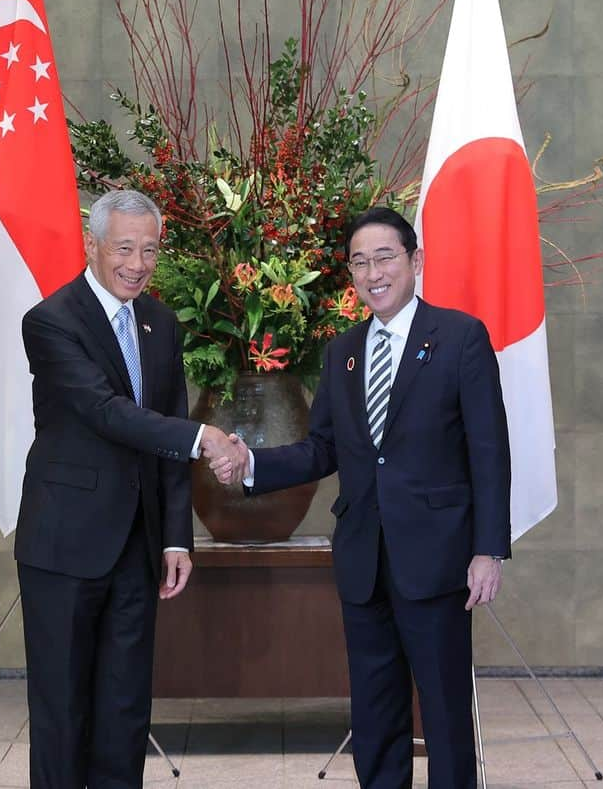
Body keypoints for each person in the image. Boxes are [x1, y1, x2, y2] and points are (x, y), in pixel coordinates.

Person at [214, 207, 511, 789]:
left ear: (414, 262)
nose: (372, 272)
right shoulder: (342, 351)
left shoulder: (459, 338)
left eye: (385, 257)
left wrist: (488, 550)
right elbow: (322, 449)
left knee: (446, 709)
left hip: (438, 558)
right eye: (359, 262)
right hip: (363, 559)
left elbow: (490, 452)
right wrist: (252, 465)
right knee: (375, 712)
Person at [14, 189, 245, 788]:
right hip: (64, 546)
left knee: (124, 712)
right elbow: (107, 412)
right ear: (92, 244)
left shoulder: (161, 323)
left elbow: (164, 439)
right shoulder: (49, 322)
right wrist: (206, 438)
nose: (138, 264)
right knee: (63, 713)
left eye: (149, 250)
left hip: (137, 549)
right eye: (124, 248)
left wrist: (176, 538)